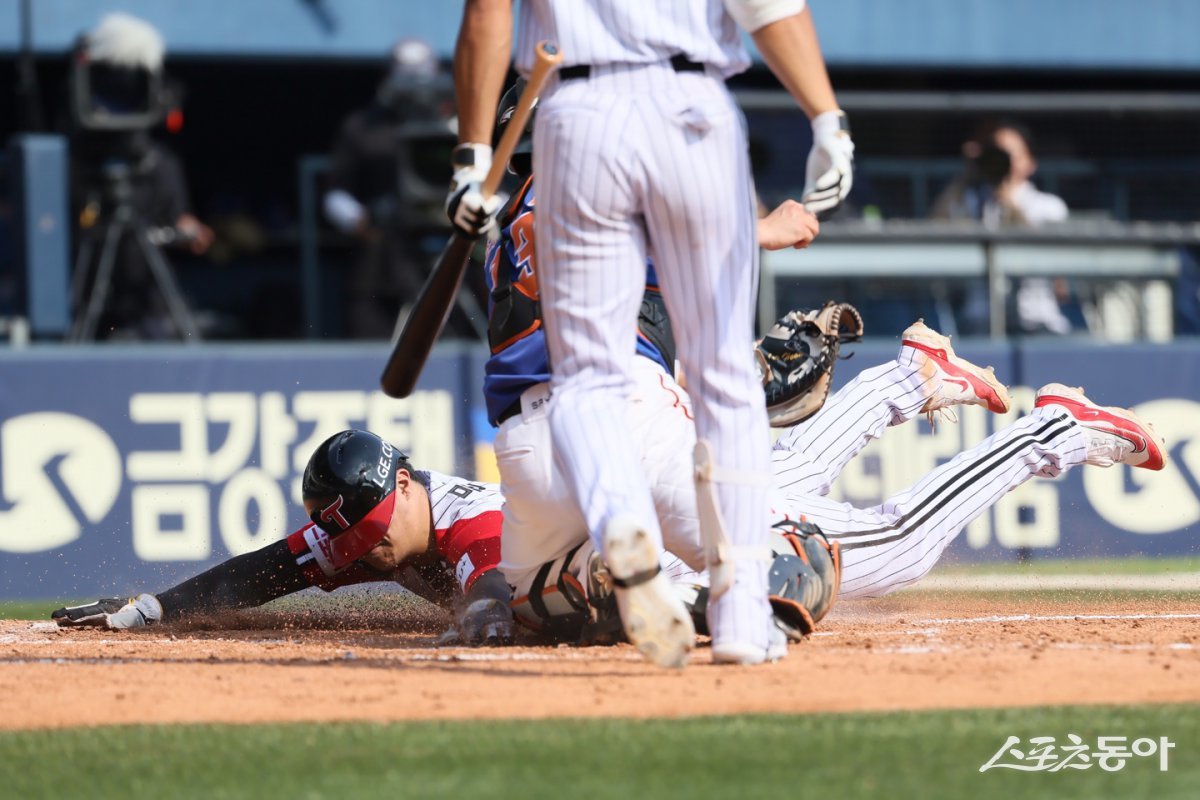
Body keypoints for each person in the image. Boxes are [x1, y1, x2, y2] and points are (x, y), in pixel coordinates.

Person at [449, 0, 855, 668]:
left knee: (526, 588)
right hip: (692, 101)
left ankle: (620, 537)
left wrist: (469, 156)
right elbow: (768, 6)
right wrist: (825, 121)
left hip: (528, 447)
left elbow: (485, 14)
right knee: (731, 388)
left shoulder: (510, 230)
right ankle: (739, 616)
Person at [53, 429, 517, 646]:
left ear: (401, 483)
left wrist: (484, 615)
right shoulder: (373, 536)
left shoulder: (472, 517)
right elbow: (261, 573)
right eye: (350, 541)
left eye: (369, 532)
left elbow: (493, 586)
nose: (365, 551)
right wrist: (151, 609)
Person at [323, 38, 457, 338]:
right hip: (381, 250)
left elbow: (495, 186)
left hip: (447, 246)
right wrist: (357, 219)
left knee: (452, 326)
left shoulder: (457, 127)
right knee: (372, 333)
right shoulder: (363, 127)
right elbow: (335, 192)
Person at [933, 119, 1072, 335]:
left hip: (1036, 320)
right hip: (979, 322)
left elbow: (1042, 257)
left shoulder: (1049, 205)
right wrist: (968, 172)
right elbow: (936, 224)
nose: (1002, 161)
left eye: (1009, 155)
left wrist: (1007, 199)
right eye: (996, 153)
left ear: (1029, 162)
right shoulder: (971, 200)